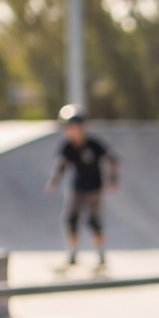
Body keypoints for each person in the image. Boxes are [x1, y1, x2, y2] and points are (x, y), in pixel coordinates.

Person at [44, 104, 120, 271]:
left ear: (82, 128)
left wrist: (113, 180)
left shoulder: (93, 144)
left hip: (95, 189)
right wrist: (54, 182)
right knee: (71, 221)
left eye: (73, 129)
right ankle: (72, 255)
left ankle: (101, 257)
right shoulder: (68, 146)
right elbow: (61, 166)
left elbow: (113, 159)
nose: (71, 133)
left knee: (94, 221)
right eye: (68, 129)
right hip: (77, 188)